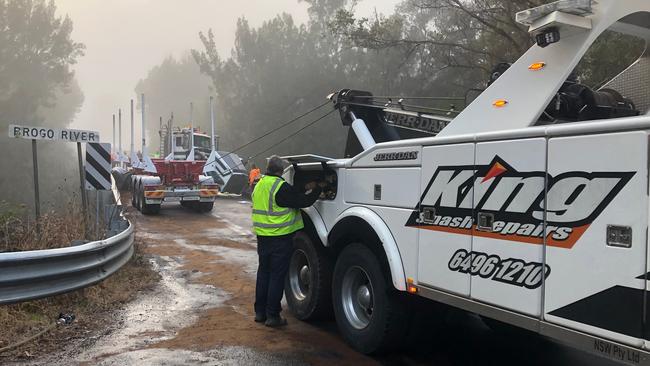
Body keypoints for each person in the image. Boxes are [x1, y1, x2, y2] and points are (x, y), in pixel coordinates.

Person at [251, 156, 322, 327]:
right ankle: (273, 316)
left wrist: (304, 187)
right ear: (281, 171)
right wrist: (318, 188)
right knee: (277, 276)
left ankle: (260, 313)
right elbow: (302, 201)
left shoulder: (259, 184)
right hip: (279, 238)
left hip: (263, 237)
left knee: (264, 273)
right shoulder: (279, 186)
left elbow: (290, 194)